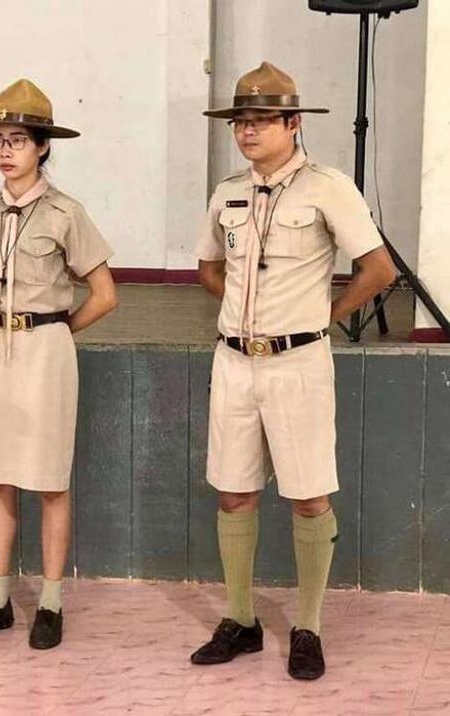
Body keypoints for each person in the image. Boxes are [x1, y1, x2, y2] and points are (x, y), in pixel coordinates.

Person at [191, 62, 397, 679]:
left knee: (308, 497)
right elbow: (209, 267)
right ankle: (241, 620)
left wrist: (321, 316)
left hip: (299, 362)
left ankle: (308, 626)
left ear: (294, 123)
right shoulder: (227, 192)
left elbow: (379, 269)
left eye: (261, 121)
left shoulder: (327, 187)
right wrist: (242, 314)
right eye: (240, 122)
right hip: (234, 360)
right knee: (234, 491)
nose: (248, 132)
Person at [0, 79, 118, 650]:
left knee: (49, 479)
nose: (5, 151)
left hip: (44, 348)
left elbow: (105, 294)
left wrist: (57, 330)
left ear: (43, 147)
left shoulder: (65, 213)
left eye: (18, 140)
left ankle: (49, 602)